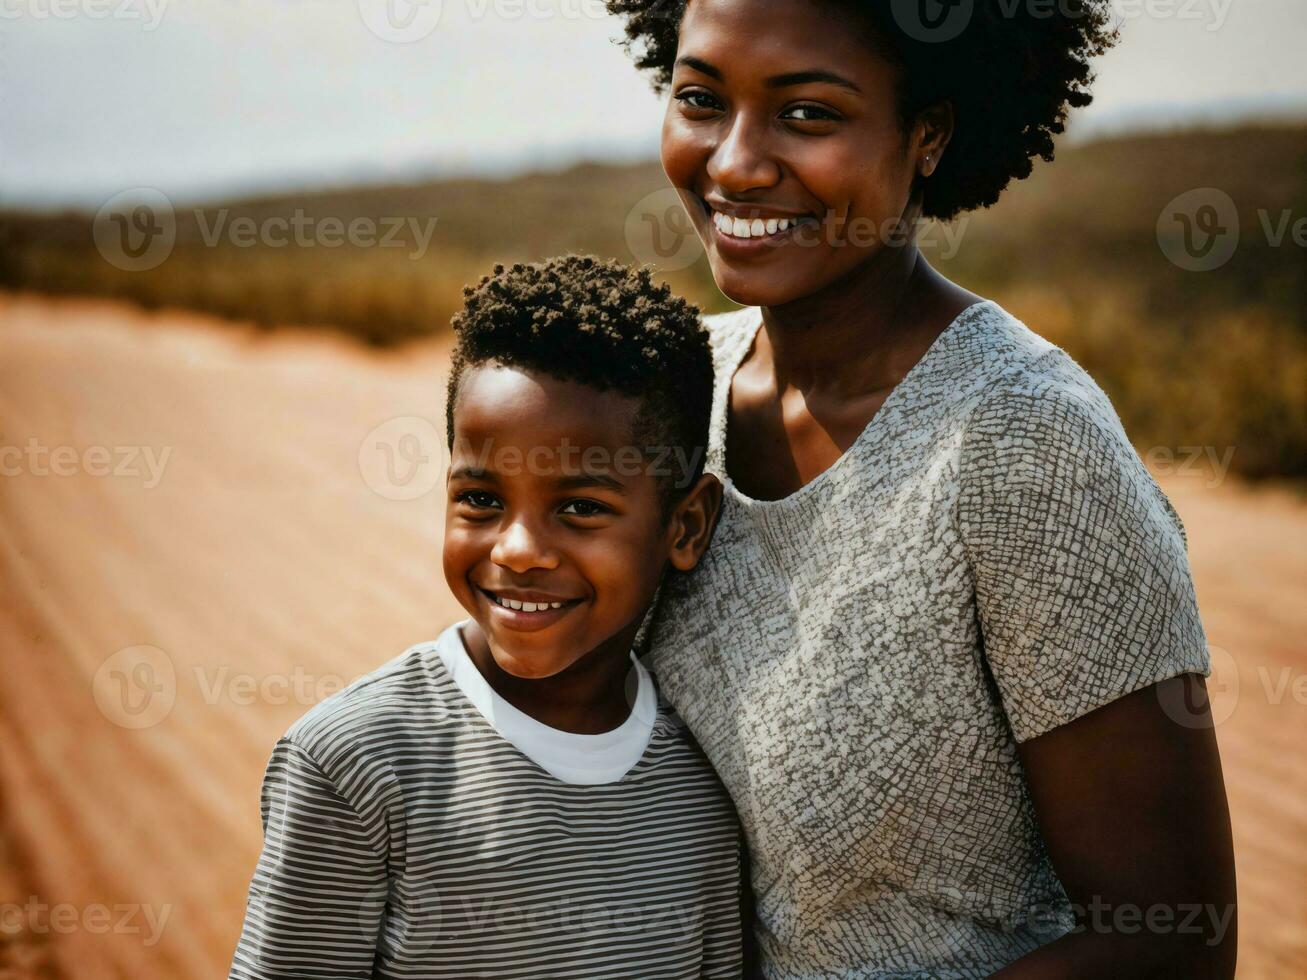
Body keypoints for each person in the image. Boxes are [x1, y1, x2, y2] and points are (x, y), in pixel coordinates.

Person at [605, 0, 1240, 975]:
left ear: (929, 133)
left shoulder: (1022, 437)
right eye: (699, 98)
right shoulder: (670, 394)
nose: (731, 162)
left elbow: (1169, 943)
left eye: (806, 113)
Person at [228, 255, 743, 979]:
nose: (520, 550)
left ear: (685, 527)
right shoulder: (354, 762)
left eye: (581, 508)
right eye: (480, 499)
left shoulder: (702, 787)